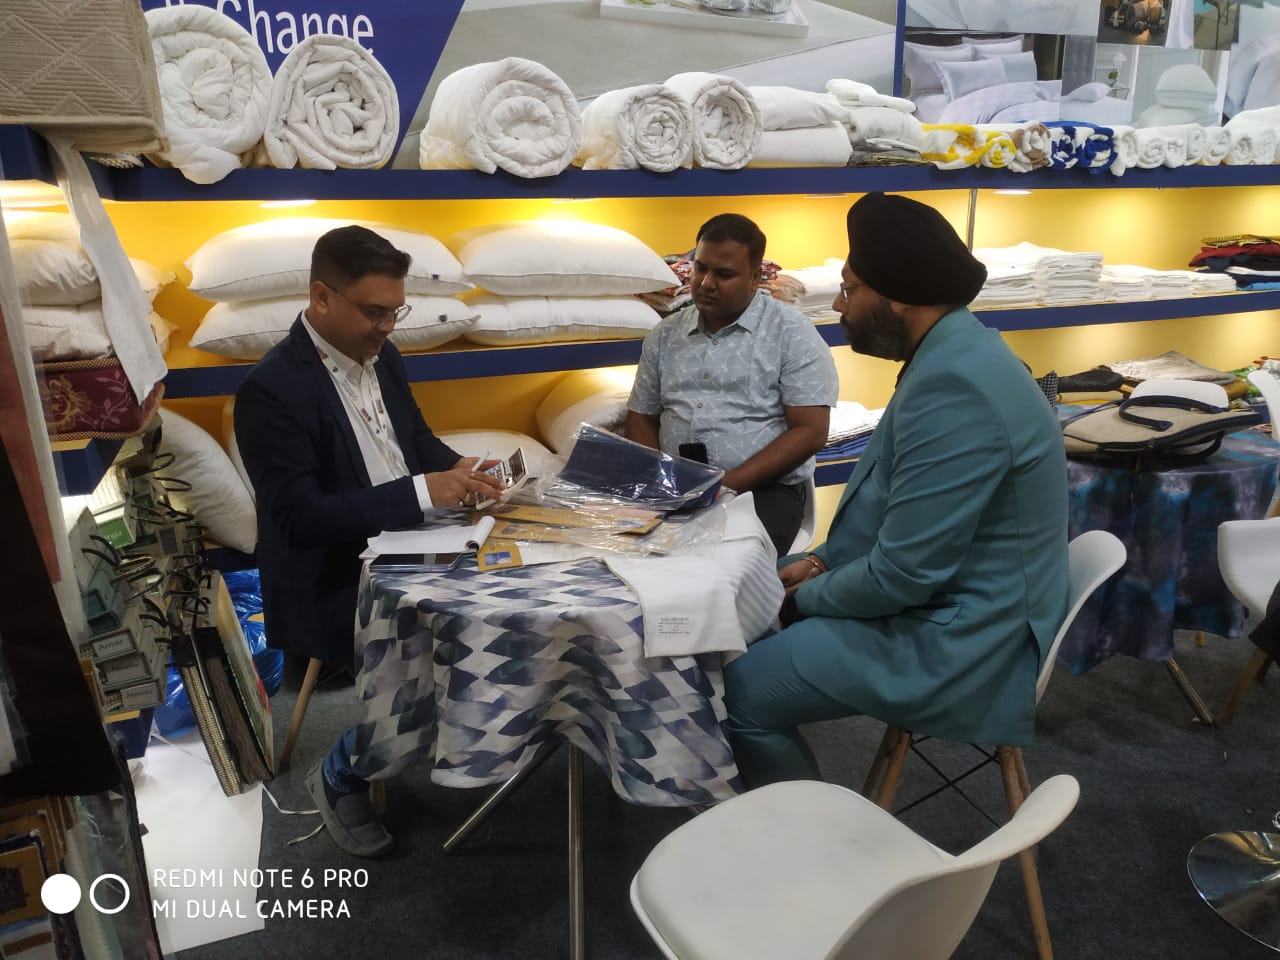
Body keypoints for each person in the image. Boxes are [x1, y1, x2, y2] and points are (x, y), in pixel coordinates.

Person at [724, 192, 1069, 788]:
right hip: (944, 599)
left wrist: (801, 600)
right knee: (741, 586)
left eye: (850, 289)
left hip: (962, 638)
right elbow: (900, 513)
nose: (838, 305)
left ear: (900, 297)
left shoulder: (957, 388)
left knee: (739, 693)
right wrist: (819, 562)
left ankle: (808, 838)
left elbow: (904, 575)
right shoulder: (956, 353)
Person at [235, 225, 504, 857]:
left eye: (395, 311)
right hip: (335, 574)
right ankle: (342, 772)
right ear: (321, 296)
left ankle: (494, 731)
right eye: (374, 312)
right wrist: (422, 492)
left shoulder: (383, 357)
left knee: (518, 599)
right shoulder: (272, 390)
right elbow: (299, 519)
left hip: (413, 542)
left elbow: (415, 442)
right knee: (456, 638)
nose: (387, 326)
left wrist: (460, 469)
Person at [625, 213, 838, 556]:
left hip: (762, 492)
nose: (706, 283)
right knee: (626, 551)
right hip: (676, 489)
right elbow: (642, 418)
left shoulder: (791, 333)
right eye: (700, 269)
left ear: (755, 278)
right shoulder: (665, 335)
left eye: (724, 274)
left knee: (718, 560)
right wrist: (662, 480)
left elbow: (810, 431)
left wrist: (723, 487)